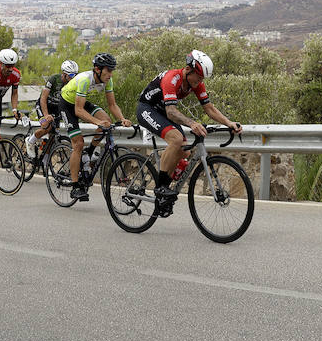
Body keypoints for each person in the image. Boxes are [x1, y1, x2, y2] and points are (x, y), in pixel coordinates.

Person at [136, 49, 241, 216]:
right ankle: (160, 189)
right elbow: (171, 112)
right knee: (177, 140)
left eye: (202, 78)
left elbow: (209, 108)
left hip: (163, 111)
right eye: (198, 77)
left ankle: (164, 193)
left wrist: (229, 123)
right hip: (147, 109)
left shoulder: (196, 83)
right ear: (188, 69)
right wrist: (191, 123)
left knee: (185, 150)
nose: (200, 81)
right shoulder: (172, 78)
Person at [61, 53, 132, 202]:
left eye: (112, 70)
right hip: (67, 104)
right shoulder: (85, 79)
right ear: (98, 69)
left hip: (80, 100)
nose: (111, 74)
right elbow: (78, 111)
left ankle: (90, 151)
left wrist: (122, 118)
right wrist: (96, 122)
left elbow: (112, 105)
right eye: (108, 70)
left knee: (106, 119)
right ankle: (75, 186)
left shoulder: (108, 80)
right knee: (78, 143)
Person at [26, 59, 78, 159]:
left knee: (53, 136)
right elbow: (43, 98)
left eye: (75, 75)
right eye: (71, 75)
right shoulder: (54, 79)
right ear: (64, 74)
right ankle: (30, 141)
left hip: (56, 109)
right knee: (47, 126)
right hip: (44, 105)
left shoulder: (73, 84)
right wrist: (45, 115)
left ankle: (45, 162)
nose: (73, 78)